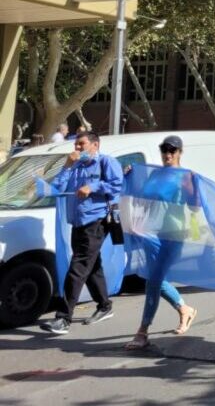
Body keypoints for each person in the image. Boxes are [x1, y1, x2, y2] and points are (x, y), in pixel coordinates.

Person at [40, 132, 124, 335]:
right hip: (78, 221)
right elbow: (58, 187)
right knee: (92, 266)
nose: (77, 148)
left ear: (94, 145)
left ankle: (63, 318)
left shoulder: (106, 162)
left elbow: (117, 185)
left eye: (81, 144)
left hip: (96, 221)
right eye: (75, 144)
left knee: (77, 267)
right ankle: (104, 306)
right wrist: (67, 165)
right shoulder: (76, 165)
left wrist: (93, 186)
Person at [124, 135, 199, 350]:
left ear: (180, 153)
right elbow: (141, 199)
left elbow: (195, 208)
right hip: (150, 232)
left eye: (172, 150)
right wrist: (130, 176)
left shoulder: (186, 176)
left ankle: (142, 331)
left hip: (173, 234)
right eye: (164, 150)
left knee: (154, 279)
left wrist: (192, 188)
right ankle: (184, 309)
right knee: (153, 278)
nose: (168, 154)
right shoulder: (155, 174)